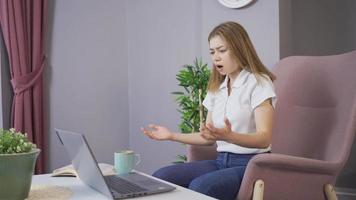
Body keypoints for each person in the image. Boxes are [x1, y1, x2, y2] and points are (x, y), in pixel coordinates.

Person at [140, 21, 276, 200]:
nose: (216, 57)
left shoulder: (259, 82)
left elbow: (264, 138)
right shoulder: (216, 88)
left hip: (251, 165)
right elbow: (208, 138)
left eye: (222, 50)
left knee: (200, 187)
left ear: (239, 48)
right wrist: (171, 135)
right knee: (161, 177)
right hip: (221, 162)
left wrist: (230, 136)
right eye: (212, 52)